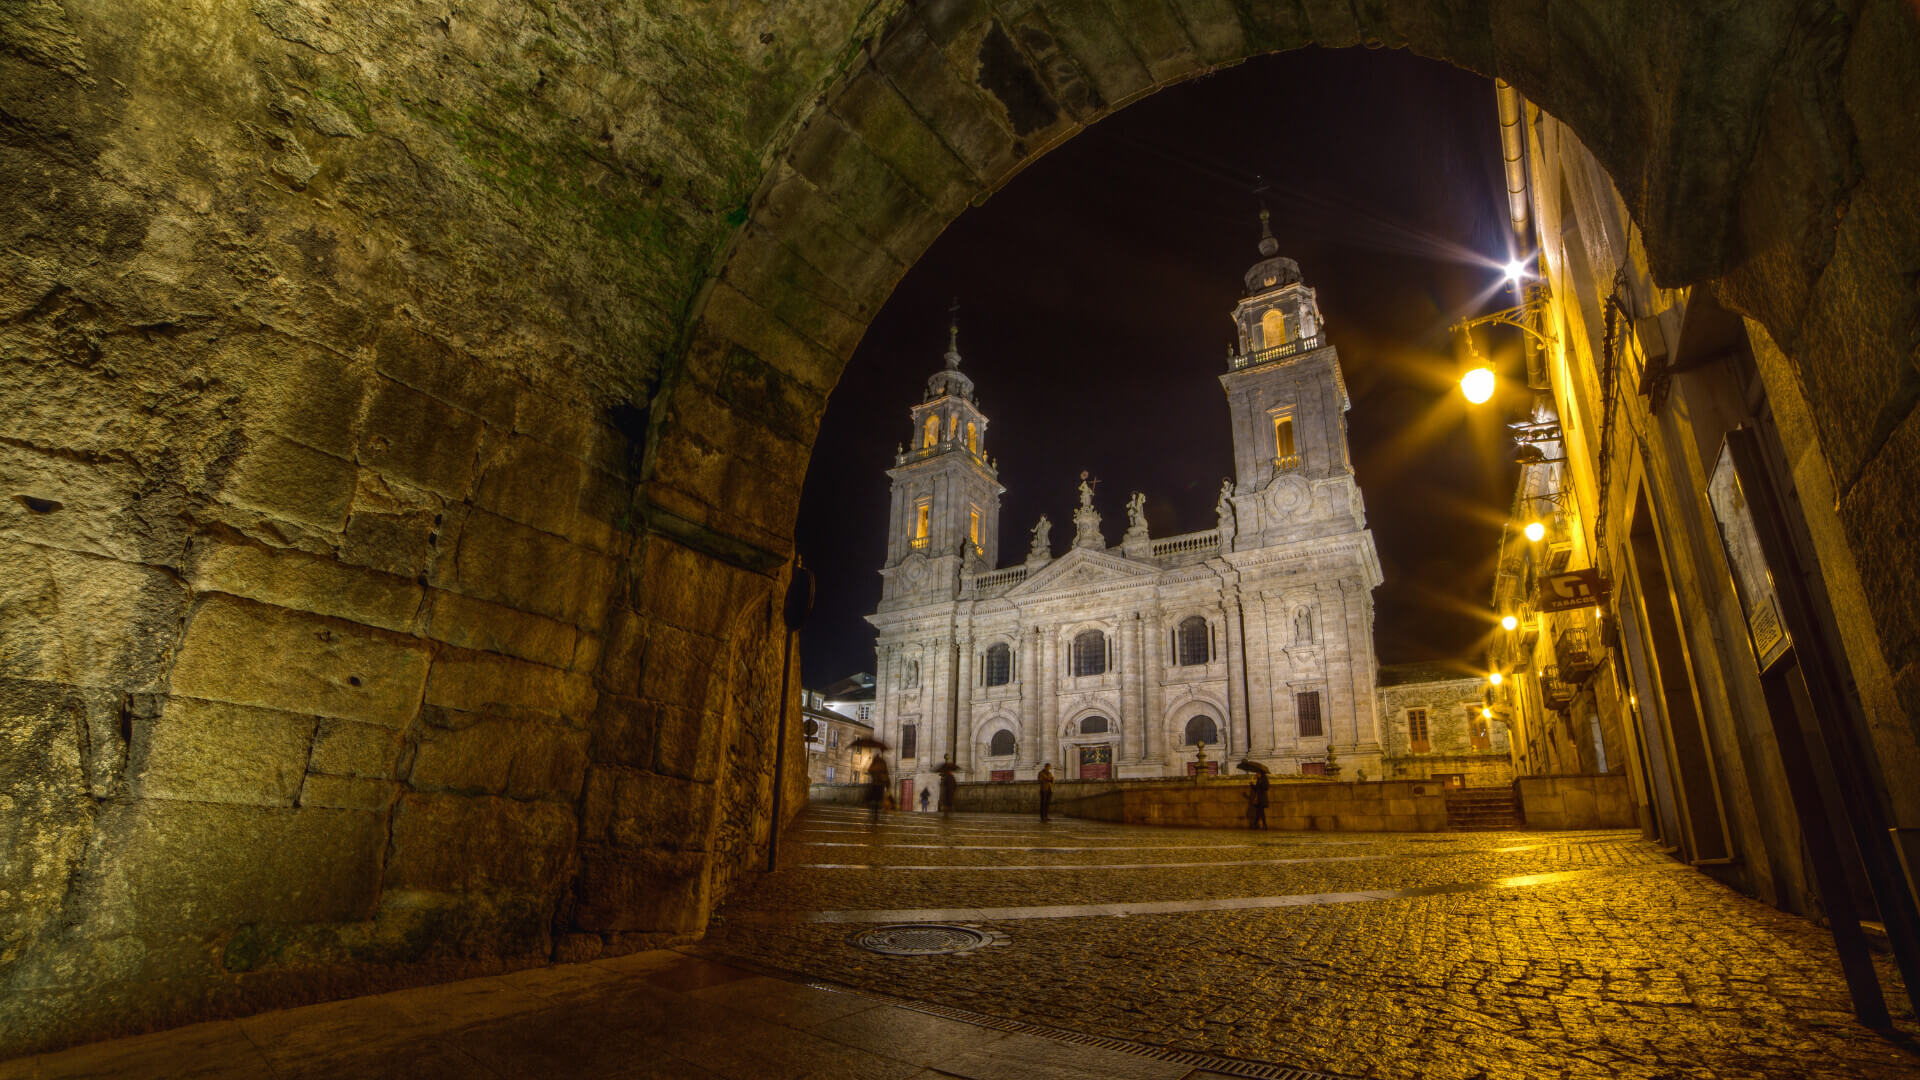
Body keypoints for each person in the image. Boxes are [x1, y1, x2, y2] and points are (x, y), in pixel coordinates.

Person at [866, 755, 890, 823]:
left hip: (876, 785)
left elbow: (869, 770)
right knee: (877, 800)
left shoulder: (875, 764)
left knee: (874, 800)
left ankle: (874, 813)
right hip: (879, 786)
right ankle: (876, 813)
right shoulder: (882, 763)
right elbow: (886, 773)